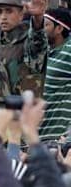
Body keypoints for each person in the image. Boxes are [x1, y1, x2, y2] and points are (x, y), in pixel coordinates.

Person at [0, 0, 48, 103]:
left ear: (21, 15)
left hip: (24, 115)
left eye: (9, 11)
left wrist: (38, 18)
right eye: (0, 11)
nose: (3, 16)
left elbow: (38, 40)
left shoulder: (28, 41)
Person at [39, 8, 71, 141]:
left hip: (55, 139)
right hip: (33, 138)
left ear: (59, 29)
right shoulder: (42, 52)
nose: (42, 29)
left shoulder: (68, 51)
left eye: (46, 25)